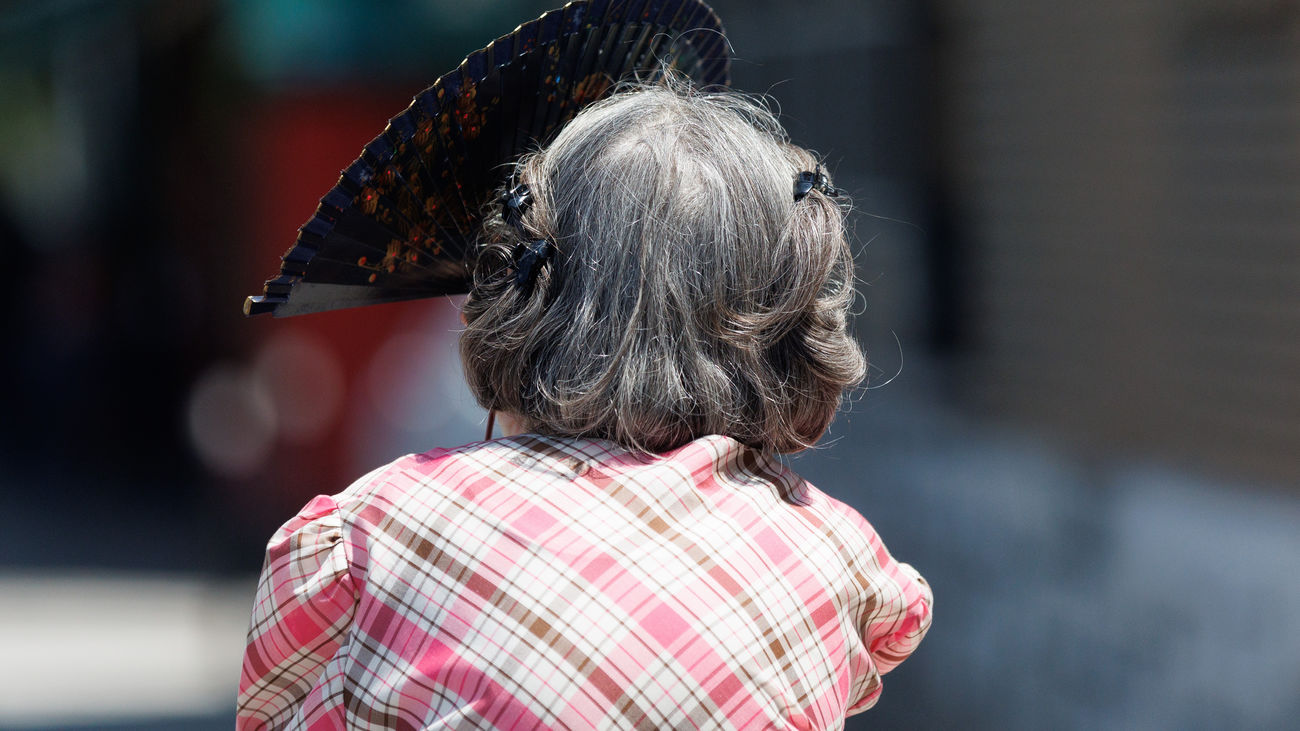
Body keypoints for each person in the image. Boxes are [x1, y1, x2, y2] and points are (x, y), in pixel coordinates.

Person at [237, 80, 931, 730]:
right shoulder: (834, 553)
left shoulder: (369, 532)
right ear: (791, 325)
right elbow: (887, 632)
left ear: (516, 298)